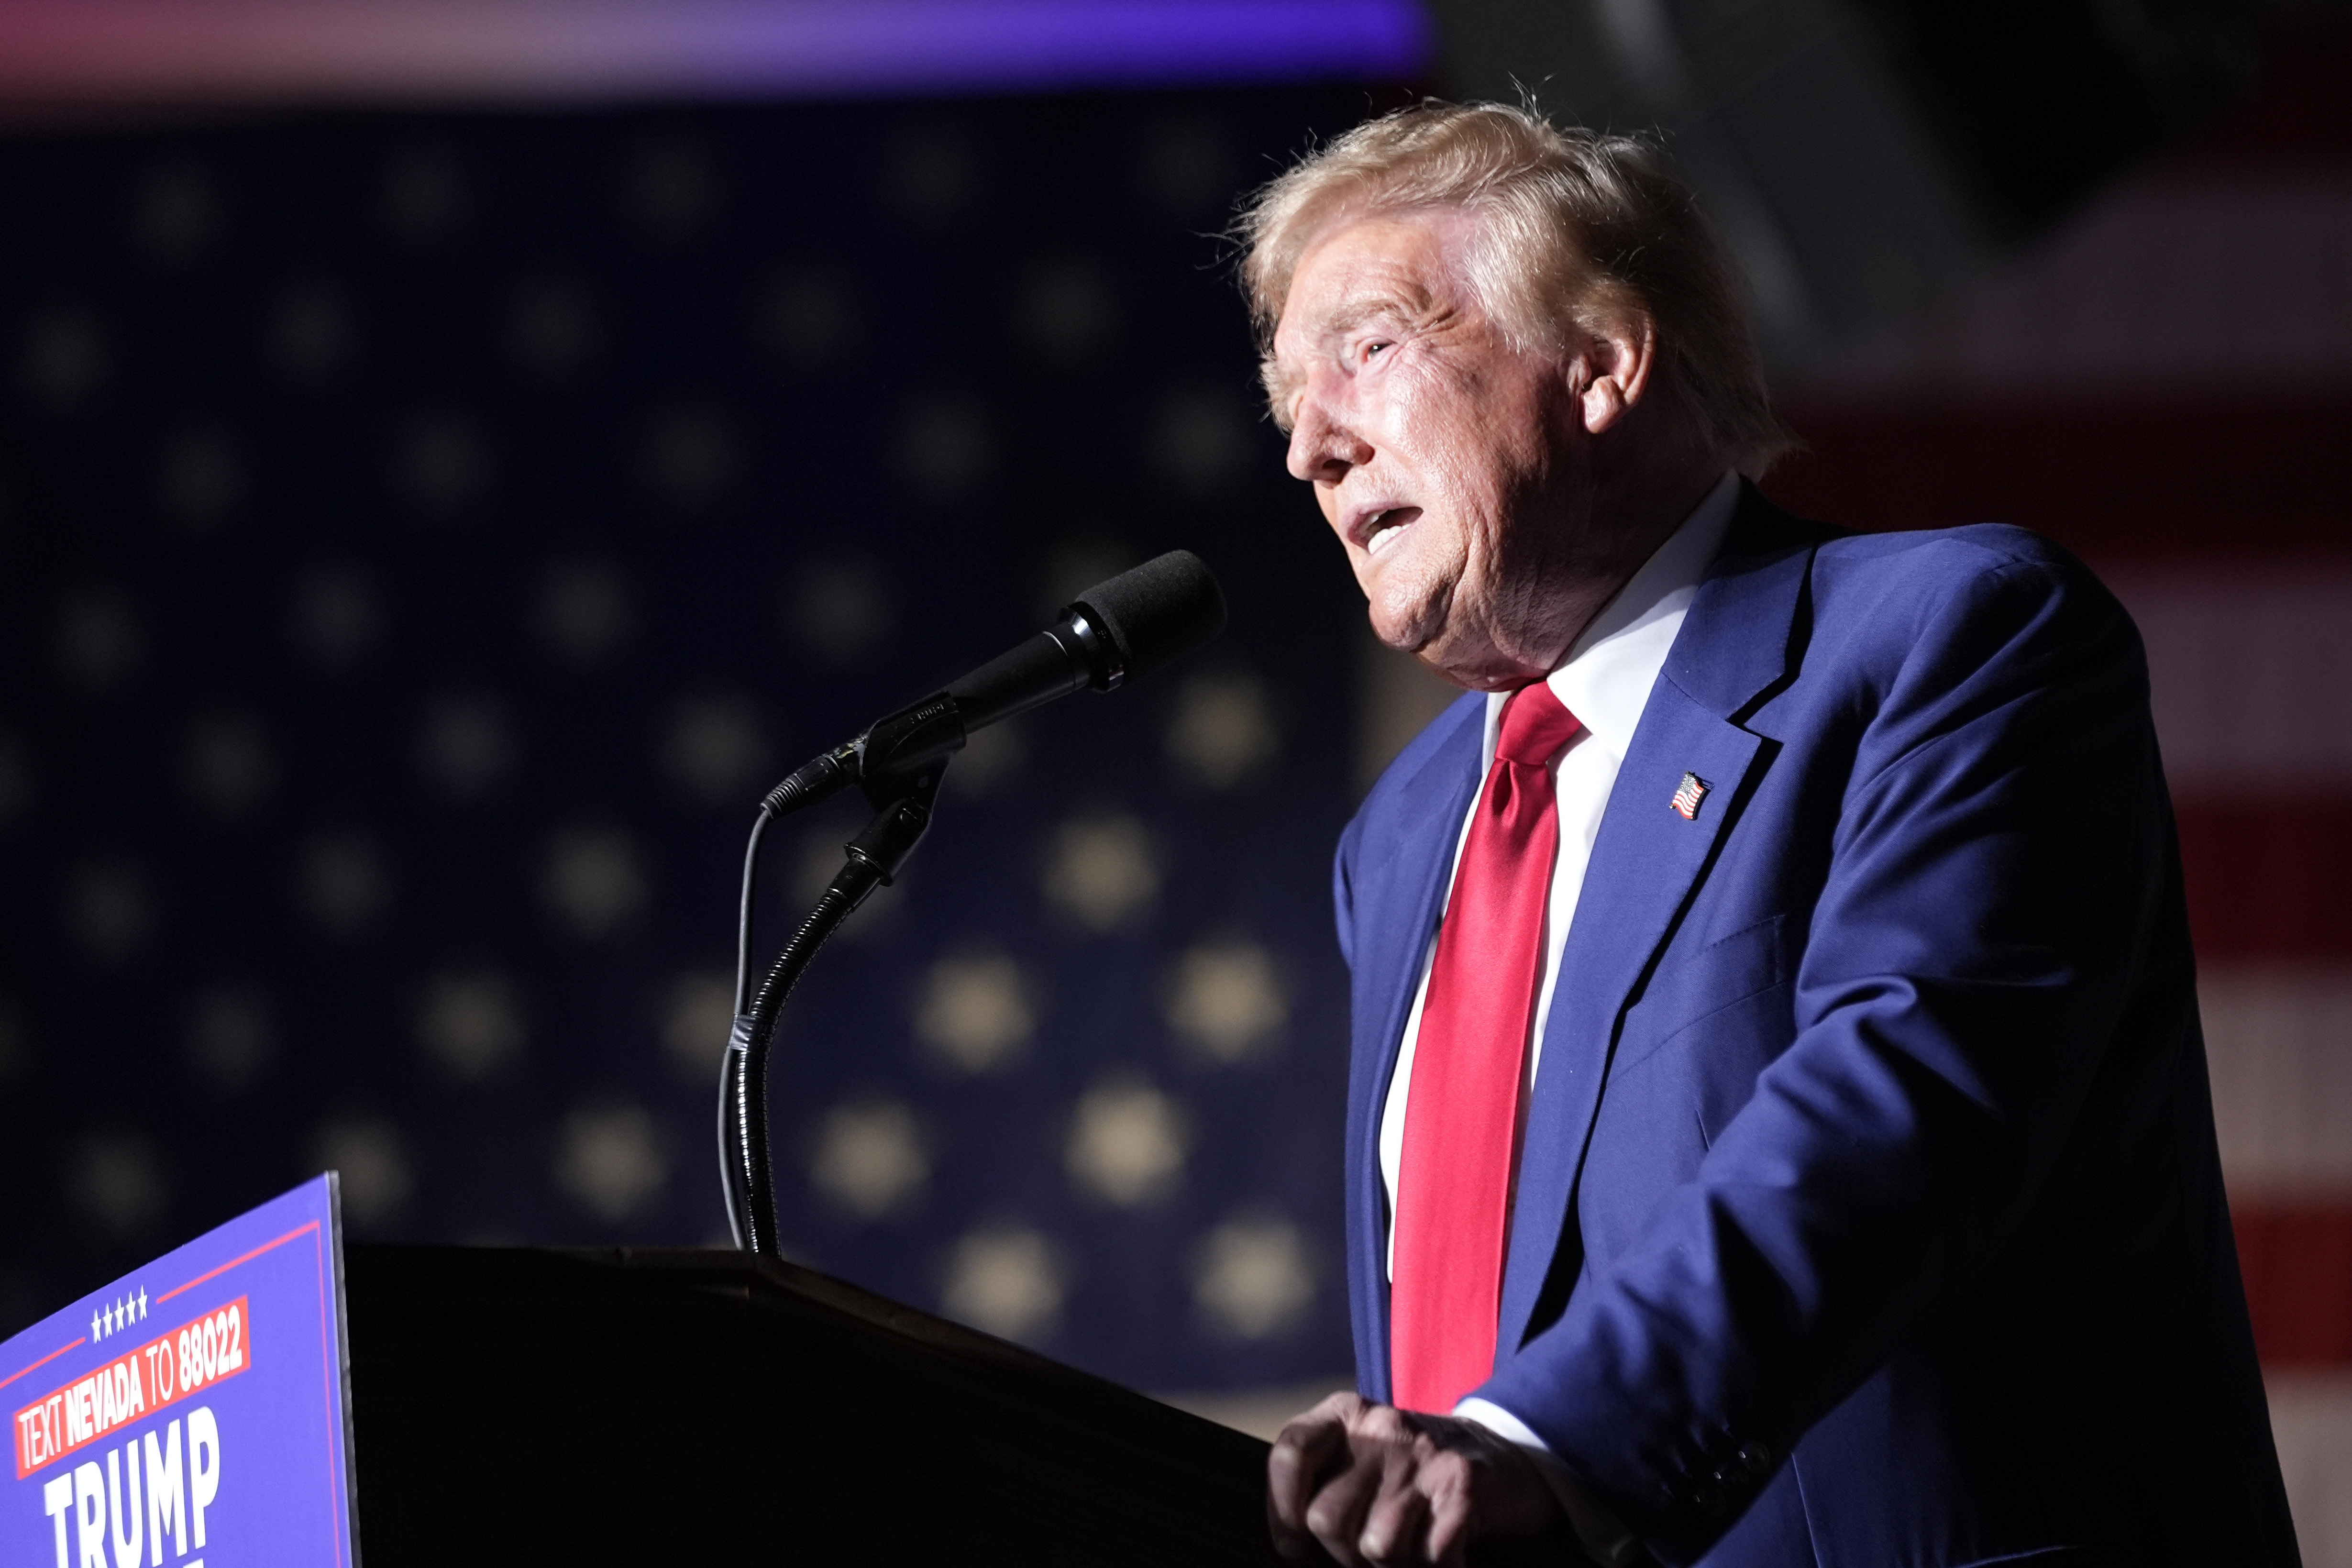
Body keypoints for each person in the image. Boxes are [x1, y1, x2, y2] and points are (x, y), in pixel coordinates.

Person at [1244, 101, 2297, 1568]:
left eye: (1364, 349)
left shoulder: (1948, 642)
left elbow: (1907, 1101)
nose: (1310, 446)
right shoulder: (1406, 831)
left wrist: (1542, 1450)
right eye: (1286, 396)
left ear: (1604, 365)